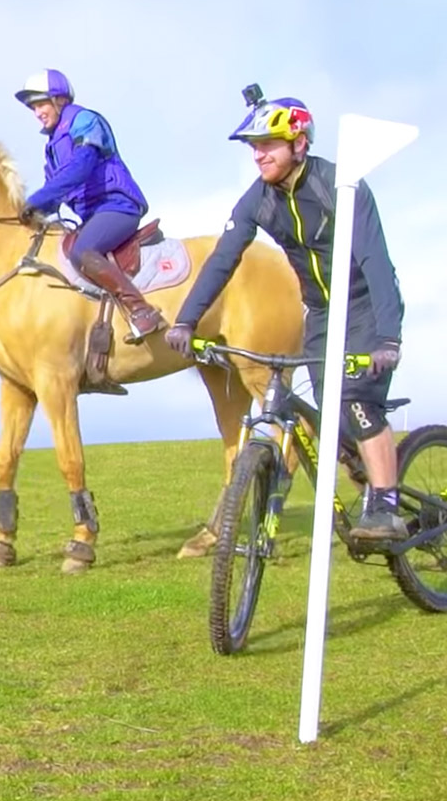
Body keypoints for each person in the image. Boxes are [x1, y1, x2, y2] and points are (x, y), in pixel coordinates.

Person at [164, 93, 408, 540]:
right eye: (254, 146)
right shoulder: (258, 199)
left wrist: (388, 339)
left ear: (298, 144)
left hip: (365, 306)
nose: (258, 155)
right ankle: (367, 465)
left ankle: (387, 507)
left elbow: (376, 262)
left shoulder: (337, 185)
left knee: (355, 401)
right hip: (319, 312)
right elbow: (223, 259)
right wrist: (186, 320)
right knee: (329, 414)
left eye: (268, 144)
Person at [14, 69, 168, 349]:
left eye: (40, 104)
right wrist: (31, 213)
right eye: (33, 108)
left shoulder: (84, 120)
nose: (37, 113)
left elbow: (81, 165)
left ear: (59, 100)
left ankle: (141, 311)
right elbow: (56, 190)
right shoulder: (52, 147)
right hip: (93, 215)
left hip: (118, 206)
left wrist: (35, 200)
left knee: (82, 251)